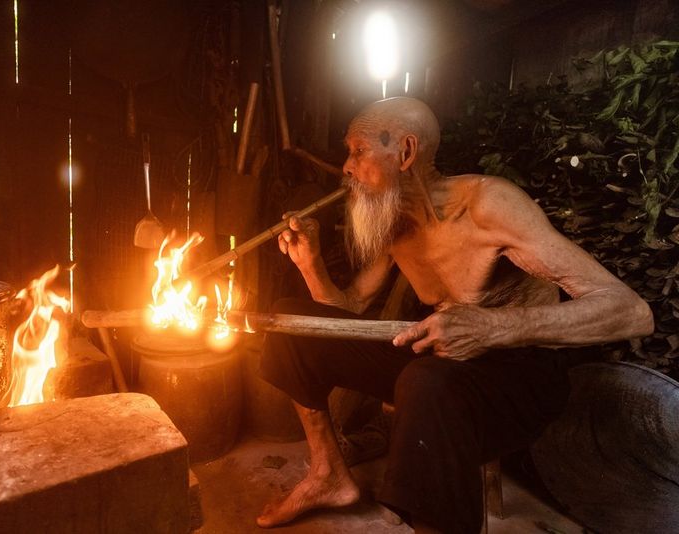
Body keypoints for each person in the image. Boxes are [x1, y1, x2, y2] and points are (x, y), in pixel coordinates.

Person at [256, 97, 654, 533]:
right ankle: (328, 474)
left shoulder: (487, 205)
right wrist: (309, 264)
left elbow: (631, 312)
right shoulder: (392, 220)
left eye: (358, 150)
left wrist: (492, 326)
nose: (346, 167)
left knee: (425, 382)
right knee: (288, 322)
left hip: (522, 376)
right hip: (444, 360)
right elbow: (345, 314)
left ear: (405, 153)